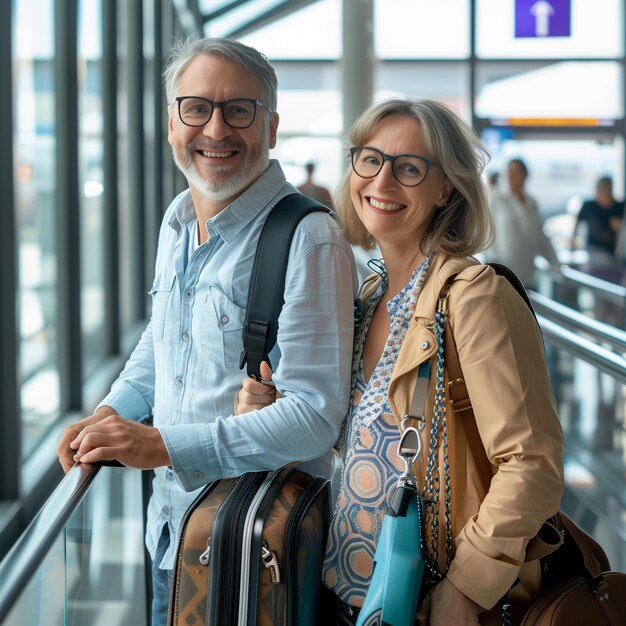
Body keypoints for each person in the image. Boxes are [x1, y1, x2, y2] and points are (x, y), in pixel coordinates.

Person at [55, 36, 357, 626]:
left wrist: (161, 446)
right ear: (172, 122)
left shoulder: (309, 237)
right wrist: (111, 412)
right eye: (197, 108)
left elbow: (317, 416)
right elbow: (161, 341)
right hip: (170, 531)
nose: (215, 130)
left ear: (270, 127)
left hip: (250, 546)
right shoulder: (177, 220)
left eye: (237, 111)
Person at [238, 98, 565, 625]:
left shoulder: (473, 296)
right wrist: (274, 406)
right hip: (351, 598)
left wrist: (467, 586)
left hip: (437, 602)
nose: (382, 180)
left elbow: (532, 462)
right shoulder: (367, 298)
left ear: (445, 190)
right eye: (369, 159)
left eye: (409, 168)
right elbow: (355, 442)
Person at [484, 158, 559, 289]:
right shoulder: (497, 198)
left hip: (528, 274)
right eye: (509, 172)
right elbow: (487, 233)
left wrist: (555, 262)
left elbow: (540, 236)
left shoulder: (531, 203)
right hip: (503, 276)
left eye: (516, 172)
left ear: (525, 175)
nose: (511, 177)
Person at [574, 175, 624, 283]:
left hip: (615, 256)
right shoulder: (589, 206)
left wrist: (621, 227)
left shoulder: (619, 207)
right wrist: (573, 244)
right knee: (598, 290)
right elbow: (577, 225)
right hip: (595, 254)